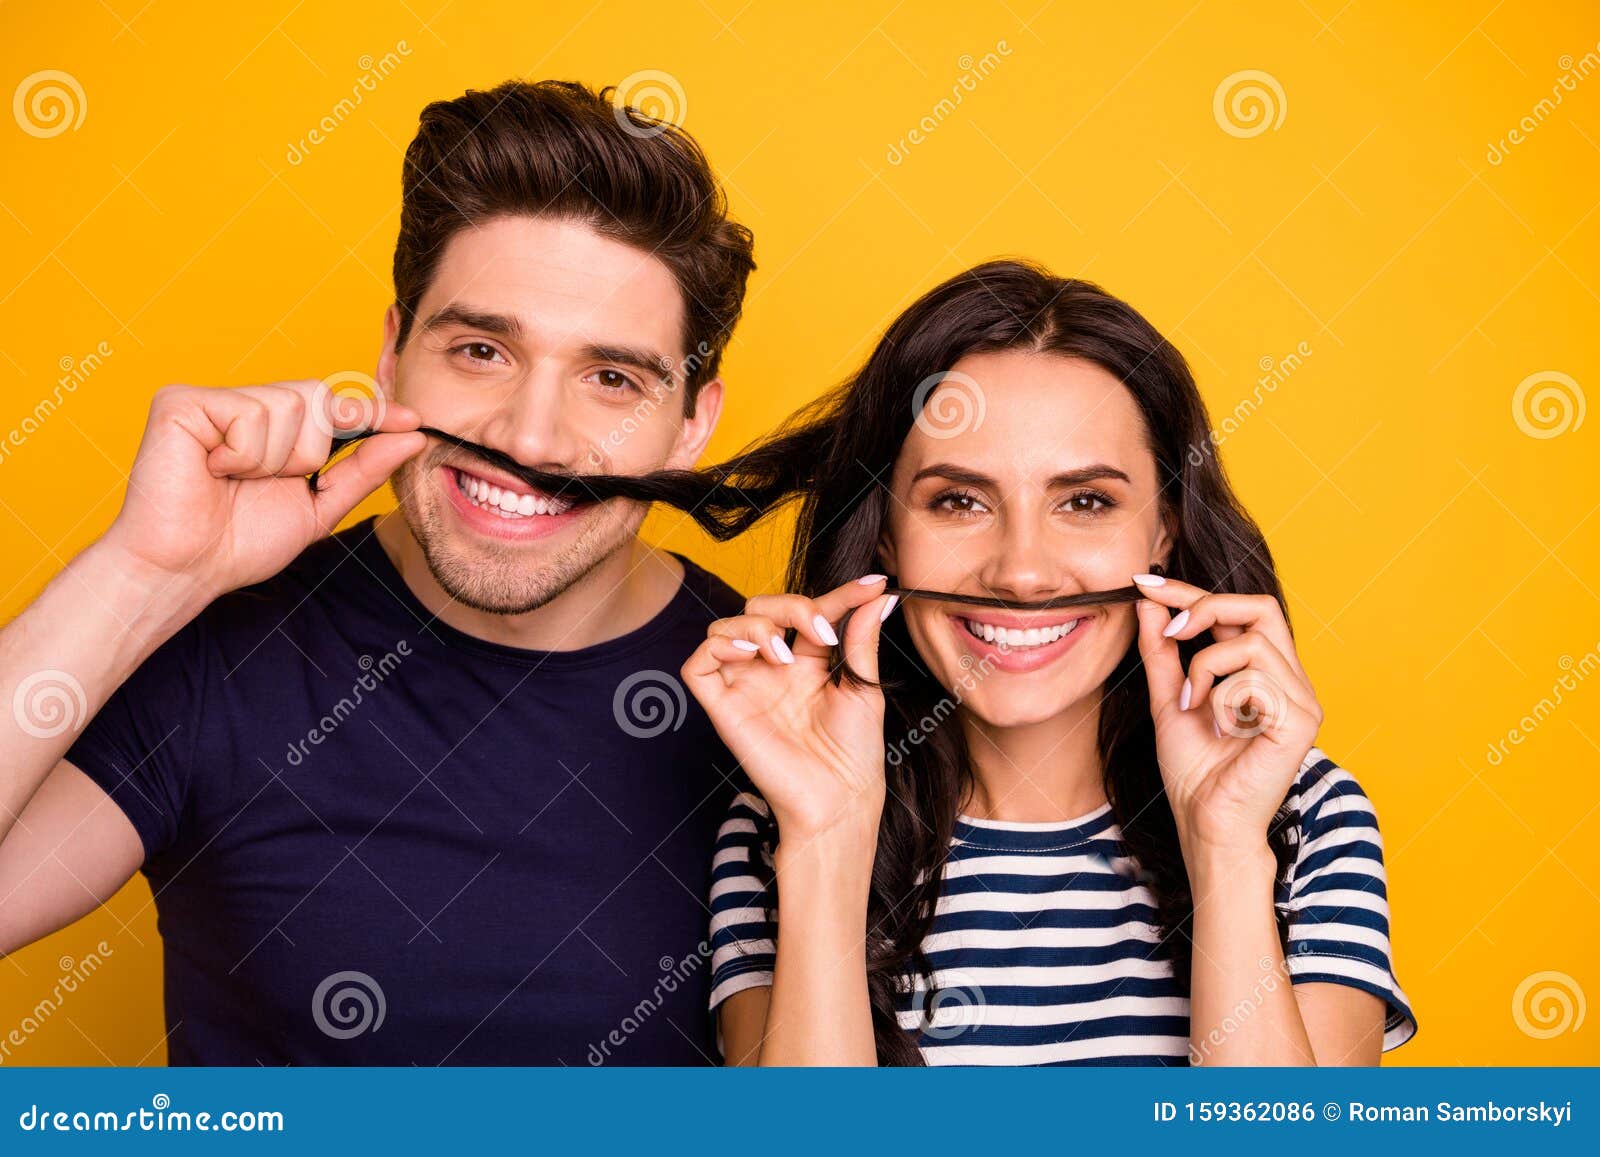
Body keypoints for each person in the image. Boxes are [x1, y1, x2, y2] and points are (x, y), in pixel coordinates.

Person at [0, 79, 755, 1065]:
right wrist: (144, 573)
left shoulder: (773, 708)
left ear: (693, 421)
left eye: (610, 378)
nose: (528, 435)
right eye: (481, 349)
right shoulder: (226, 650)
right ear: (393, 356)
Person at [682, 260, 1419, 1065]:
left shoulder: (1300, 812)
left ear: (1164, 530)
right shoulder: (778, 823)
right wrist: (825, 836)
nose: (1022, 571)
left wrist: (1226, 846)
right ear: (886, 533)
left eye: (1086, 502)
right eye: (959, 501)